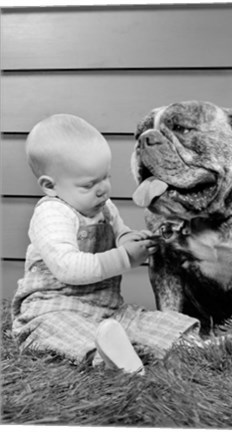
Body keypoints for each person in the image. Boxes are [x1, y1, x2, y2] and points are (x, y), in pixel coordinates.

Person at [11, 114, 214, 375]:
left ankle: (191, 344)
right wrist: (125, 258)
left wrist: (131, 241)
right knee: (62, 332)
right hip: (54, 308)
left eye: (105, 177)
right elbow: (67, 268)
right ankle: (107, 358)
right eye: (89, 184)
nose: (103, 189)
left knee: (146, 322)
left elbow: (120, 234)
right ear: (50, 186)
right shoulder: (52, 214)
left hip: (107, 310)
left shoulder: (103, 207)